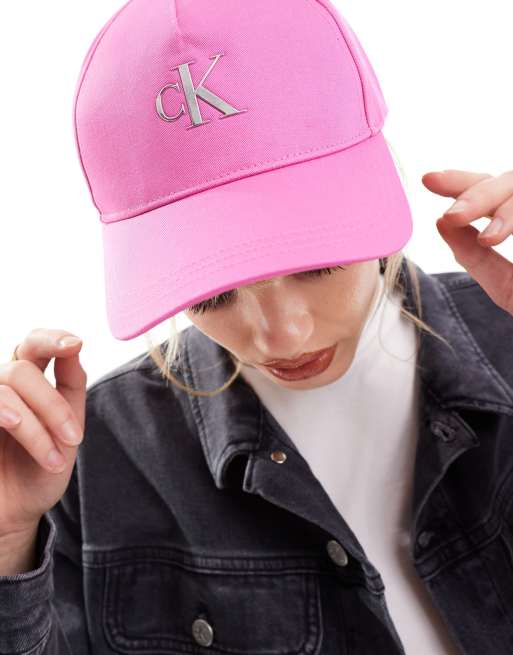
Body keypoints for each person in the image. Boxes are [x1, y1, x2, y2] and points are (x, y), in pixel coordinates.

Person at [1, 0, 513, 653]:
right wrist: (6, 545)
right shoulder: (86, 460)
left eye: (316, 263)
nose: (281, 336)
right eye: (212, 293)